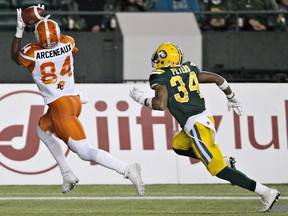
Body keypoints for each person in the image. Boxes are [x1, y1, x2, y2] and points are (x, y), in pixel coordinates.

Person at [129, 42, 280, 212]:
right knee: (178, 146)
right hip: (202, 119)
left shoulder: (159, 75)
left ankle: (265, 192)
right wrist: (231, 96)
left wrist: (141, 99)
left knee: (218, 170)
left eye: (159, 56)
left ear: (166, 59)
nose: (156, 59)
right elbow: (217, 78)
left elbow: (161, 104)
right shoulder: (189, 68)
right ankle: (223, 161)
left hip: (196, 126)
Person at [10, 8, 144, 196]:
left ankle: (127, 169)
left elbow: (15, 56)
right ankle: (67, 173)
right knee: (42, 129)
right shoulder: (67, 41)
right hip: (72, 99)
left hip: (59, 106)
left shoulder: (31, 53)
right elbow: (55, 36)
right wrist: (44, 22)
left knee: (83, 151)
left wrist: (20, 28)